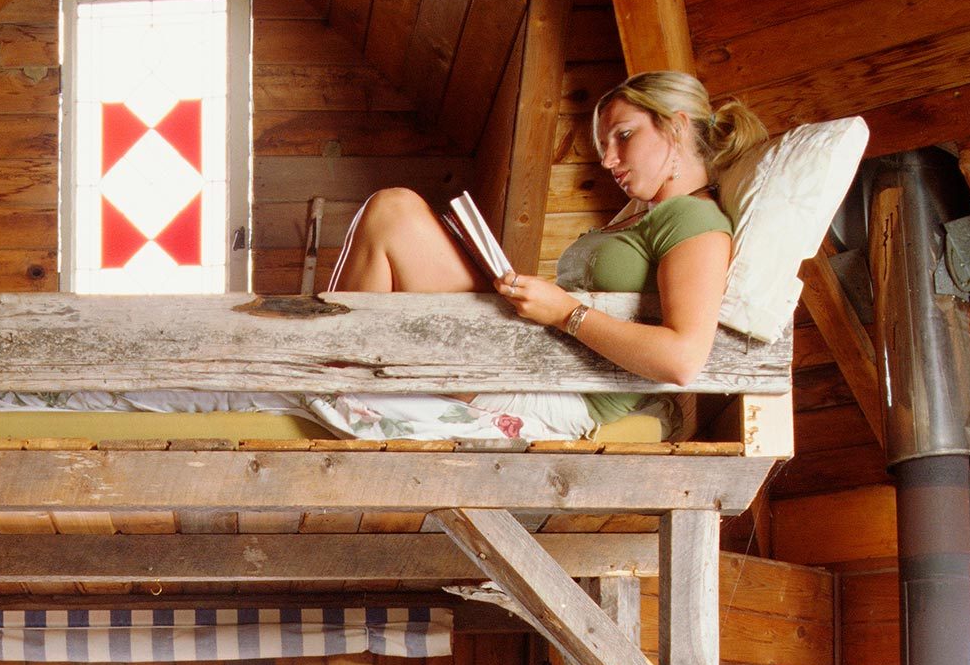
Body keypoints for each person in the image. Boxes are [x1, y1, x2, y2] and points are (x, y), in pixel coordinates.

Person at [327, 69, 767, 443]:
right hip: (528, 352)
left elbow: (683, 359)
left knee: (394, 210)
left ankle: (322, 369)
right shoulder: (645, 212)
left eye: (624, 136)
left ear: (676, 127)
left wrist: (564, 312)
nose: (609, 160)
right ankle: (326, 364)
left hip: (559, 390)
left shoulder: (693, 218)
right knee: (392, 211)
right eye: (604, 146)